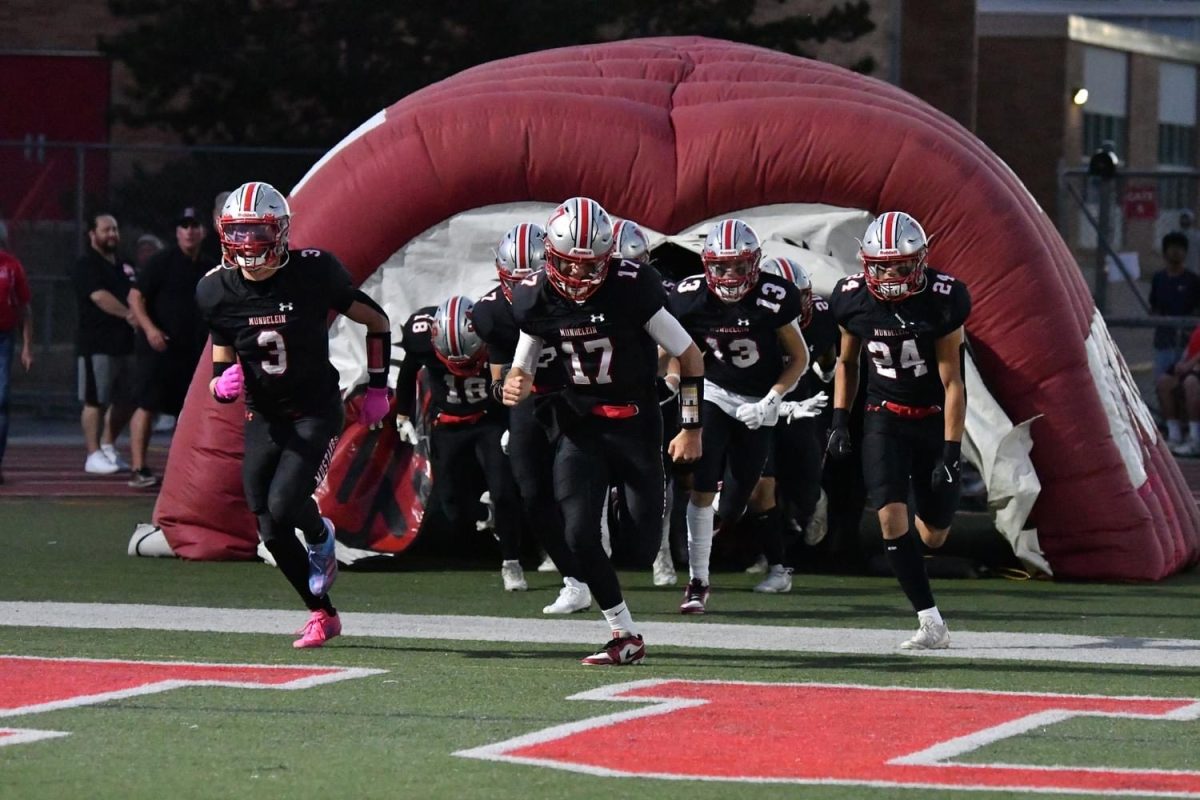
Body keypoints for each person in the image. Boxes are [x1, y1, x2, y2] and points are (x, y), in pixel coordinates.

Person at [503, 196, 704, 666]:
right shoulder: (535, 294)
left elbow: (691, 357)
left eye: (589, 265)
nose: (577, 277)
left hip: (636, 422)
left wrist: (692, 426)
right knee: (577, 533)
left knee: (639, 548)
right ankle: (623, 633)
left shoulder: (633, 286)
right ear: (550, 257)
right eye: (569, 265)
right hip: (582, 425)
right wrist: (517, 380)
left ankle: (619, 501)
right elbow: (525, 357)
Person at [197, 181, 391, 648]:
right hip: (263, 412)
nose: (246, 243)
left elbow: (376, 321)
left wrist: (379, 387)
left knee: (286, 505)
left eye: (257, 231)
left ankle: (319, 532)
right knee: (266, 523)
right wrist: (219, 382)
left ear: (280, 231)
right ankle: (321, 613)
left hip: (314, 409)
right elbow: (225, 342)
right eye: (238, 232)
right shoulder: (214, 289)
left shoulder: (314, 271)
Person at [828, 211, 971, 650]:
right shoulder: (851, 299)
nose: (891, 275)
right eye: (882, 265)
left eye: (901, 266)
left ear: (921, 261)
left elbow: (953, 382)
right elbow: (847, 363)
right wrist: (839, 418)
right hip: (883, 416)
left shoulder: (942, 299)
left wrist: (950, 450)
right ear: (866, 263)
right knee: (890, 516)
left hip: (930, 416)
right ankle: (931, 622)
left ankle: (934, 508)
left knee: (934, 533)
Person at [667, 220, 809, 613]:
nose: (730, 276)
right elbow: (679, 353)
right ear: (707, 265)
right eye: (721, 266)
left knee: (734, 501)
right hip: (712, 391)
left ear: (755, 264)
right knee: (702, 484)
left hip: (757, 399)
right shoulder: (689, 297)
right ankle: (698, 582)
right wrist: (674, 384)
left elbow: (799, 358)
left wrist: (773, 400)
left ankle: (724, 542)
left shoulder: (775, 296)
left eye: (739, 266)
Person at [474, 222, 593, 610]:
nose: (523, 288)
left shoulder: (578, 298)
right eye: (514, 280)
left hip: (578, 396)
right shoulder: (491, 312)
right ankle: (573, 579)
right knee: (531, 492)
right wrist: (503, 391)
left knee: (574, 489)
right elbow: (498, 378)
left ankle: (594, 567)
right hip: (533, 401)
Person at [394, 294, 526, 591]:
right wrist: (403, 415)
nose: (460, 364)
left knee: (504, 491)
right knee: (451, 503)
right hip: (449, 423)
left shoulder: (496, 332)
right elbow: (407, 372)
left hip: (489, 420)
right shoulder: (420, 339)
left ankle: (512, 562)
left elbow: (518, 380)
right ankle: (485, 516)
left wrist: (513, 423)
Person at [752, 256, 837, 593]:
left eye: (799, 296)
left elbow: (828, 351)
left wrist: (826, 370)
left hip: (799, 405)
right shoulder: (745, 317)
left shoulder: (821, 316)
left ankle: (815, 498)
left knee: (803, 486)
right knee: (761, 485)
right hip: (758, 407)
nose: (794, 305)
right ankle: (775, 561)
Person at [127, 207, 217, 487]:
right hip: (159, 349)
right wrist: (151, 330)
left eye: (194, 225)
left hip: (193, 351)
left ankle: (183, 470)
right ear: (177, 231)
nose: (189, 230)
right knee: (147, 405)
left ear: (203, 230)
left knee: (190, 412)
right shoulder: (161, 261)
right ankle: (139, 468)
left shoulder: (210, 266)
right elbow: (135, 297)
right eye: (184, 225)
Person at [71, 213, 137, 475]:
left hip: (125, 343)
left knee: (127, 399)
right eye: (106, 229)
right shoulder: (86, 265)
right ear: (92, 234)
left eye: (115, 229)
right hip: (96, 342)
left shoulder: (123, 265)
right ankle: (92, 453)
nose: (112, 234)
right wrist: (130, 315)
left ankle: (108, 446)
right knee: (94, 400)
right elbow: (99, 297)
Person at [0, 228, 34, 485]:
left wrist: (26, 347)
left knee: (1, 398)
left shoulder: (12, 266)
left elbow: (25, 307)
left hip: (3, 336)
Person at [1149, 231, 1200, 383]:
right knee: (1163, 382)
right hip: (1163, 341)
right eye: (1172, 247)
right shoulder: (1159, 278)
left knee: (1184, 384)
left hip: (1186, 342)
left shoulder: (1193, 280)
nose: (1176, 252)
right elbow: (1154, 306)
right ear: (1165, 251)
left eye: (1180, 248)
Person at [1156, 323, 1200, 456]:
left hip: (1196, 369)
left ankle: (1195, 439)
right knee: (1165, 382)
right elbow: (1190, 348)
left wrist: (1189, 365)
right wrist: (1182, 362)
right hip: (1191, 366)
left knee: (1191, 383)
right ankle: (1174, 435)